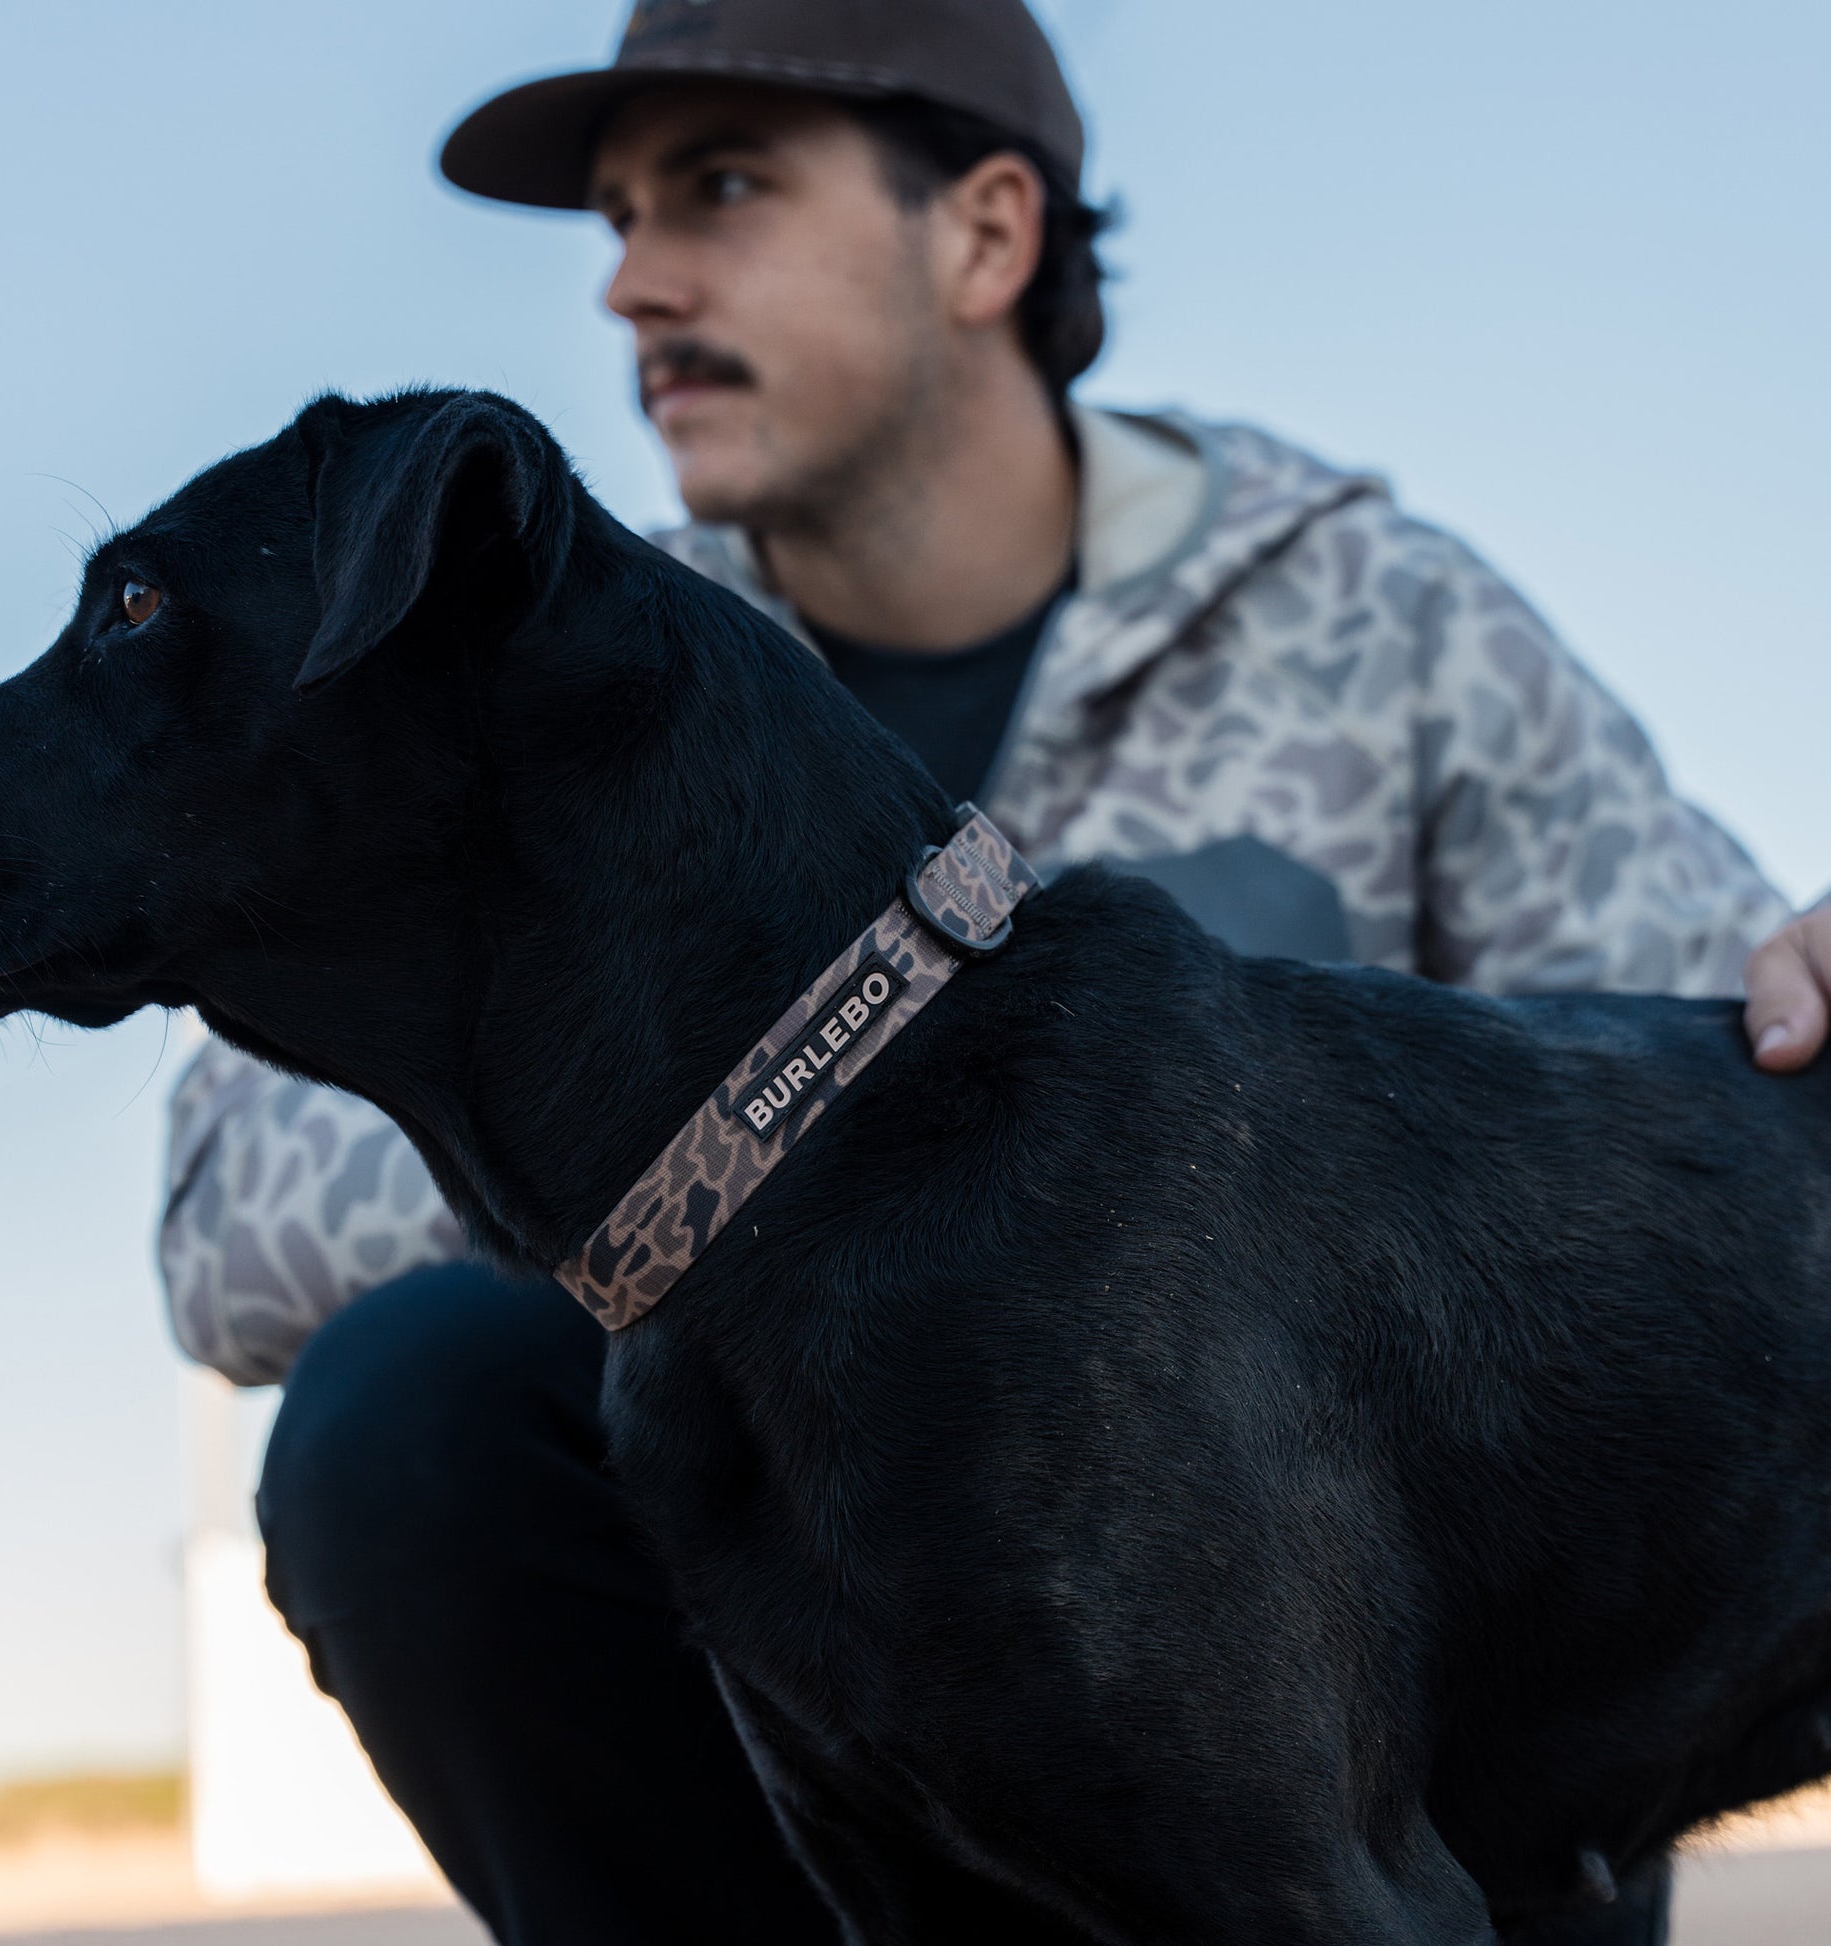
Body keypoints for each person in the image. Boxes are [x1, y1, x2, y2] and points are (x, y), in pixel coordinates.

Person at [158, 2, 1831, 1939]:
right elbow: (229, 1233)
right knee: (414, 1403)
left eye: (717, 187)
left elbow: (1720, 1068)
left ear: (984, 235)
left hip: (1383, 1754)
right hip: (836, 1720)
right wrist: (755, 1104)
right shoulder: (536, 657)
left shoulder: (1368, 614)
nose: (629, 282)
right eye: (613, 217)